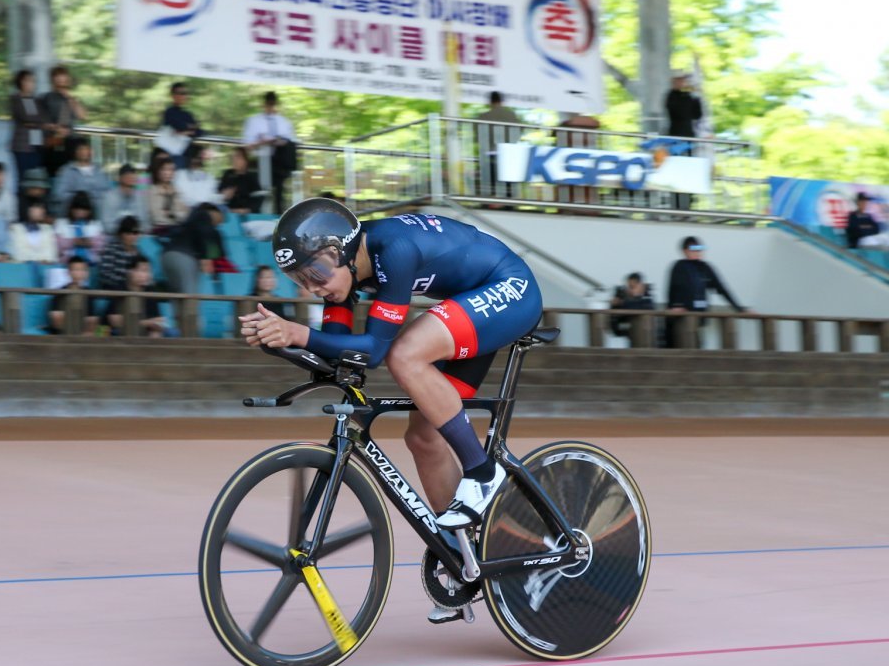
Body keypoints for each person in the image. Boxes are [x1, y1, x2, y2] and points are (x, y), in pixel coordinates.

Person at [240, 199, 542, 623]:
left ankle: (482, 472)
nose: (314, 287)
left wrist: (297, 332)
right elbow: (341, 355)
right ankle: (465, 559)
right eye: (302, 280)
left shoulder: (393, 249)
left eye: (316, 273)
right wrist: (282, 343)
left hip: (509, 289)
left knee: (405, 355)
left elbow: (377, 352)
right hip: (470, 300)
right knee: (424, 437)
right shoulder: (345, 279)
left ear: (339, 251)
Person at [665, 236, 747, 348]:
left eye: (699, 249)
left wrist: (739, 308)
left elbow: (721, 289)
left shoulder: (705, 268)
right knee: (683, 347)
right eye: (693, 249)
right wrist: (676, 305)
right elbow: (673, 289)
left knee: (696, 347)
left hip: (698, 319)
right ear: (685, 251)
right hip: (681, 320)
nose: (697, 252)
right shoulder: (679, 267)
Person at [242, 91, 296, 214]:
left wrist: (279, 142)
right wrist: (262, 142)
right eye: (268, 104)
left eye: (273, 104)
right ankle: (260, 214)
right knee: (261, 193)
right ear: (264, 104)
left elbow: (291, 141)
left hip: (279, 163)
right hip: (260, 161)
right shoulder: (254, 121)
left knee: (279, 194)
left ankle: (277, 215)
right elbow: (247, 144)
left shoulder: (283, 122)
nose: (271, 107)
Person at [162, 202, 225, 295]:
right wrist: (206, 257)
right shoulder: (203, 215)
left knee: (177, 296)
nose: (217, 225)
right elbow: (205, 233)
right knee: (190, 297)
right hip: (183, 256)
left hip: (167, 256)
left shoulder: (190, 221)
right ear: (213, 212)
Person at [40, 65, 86, 176]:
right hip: (53, 143)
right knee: (54, 175)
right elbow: (40, 121)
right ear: (53, 81)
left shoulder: (71, 99)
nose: (62, 84)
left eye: (65, 81)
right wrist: (55, 128)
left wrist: (70, 98)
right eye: (59, 81)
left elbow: (82, 115)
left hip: (70, 142)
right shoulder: (46, 98)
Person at [106, 255, 165, 337]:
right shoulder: (120, 289)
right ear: (130, 271)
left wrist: (154, 325)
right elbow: (115, 321)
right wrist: (146, 322)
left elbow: (158, 320)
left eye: (148, 271)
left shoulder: (150, 291)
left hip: (143, 331)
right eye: (143, 271)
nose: (147, 275)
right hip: (116, 331)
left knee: (159, 333)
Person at [475, 91, 521, 197]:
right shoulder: (511, 115)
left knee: (491, 186)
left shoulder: (484, 116)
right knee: (509, 186)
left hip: (490, 155)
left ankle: (489, 204)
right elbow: (518, 133)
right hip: (509, 155)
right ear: (501, 101)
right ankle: (510, 206)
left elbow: (478, 137)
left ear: (490, 102)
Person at [9, 69, 47, 191]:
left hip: (36, 144)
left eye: (33, 81)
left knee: (36, 177)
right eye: (28, 80)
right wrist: (38, 123)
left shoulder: (36, 100)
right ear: (21, 82)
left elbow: (41, 118)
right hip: (22, 145)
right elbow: (25, 117)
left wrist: (36, 123)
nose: (31, 84)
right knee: (23, 178)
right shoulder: (15, 99)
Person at [53, 137, 108, 212]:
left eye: (87, 149)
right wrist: (79, 197)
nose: (85, 152)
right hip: (75, 211)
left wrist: (90, 198)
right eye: (81, 149)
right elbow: (59, 194)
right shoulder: (66, 171)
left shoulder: (99, 170)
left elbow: (107, 192)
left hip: (98, 211)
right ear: (76, 152)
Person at [47, 256, 99, 334]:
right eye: (76, 270)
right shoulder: (60, 293)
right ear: (68, 272)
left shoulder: (89, 294)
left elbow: (92, 321)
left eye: (83, 270)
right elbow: (56, 322)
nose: (80, 273)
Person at [54, 191, 105, 264]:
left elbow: (101, 248)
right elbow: (56, 247)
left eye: (84, 209)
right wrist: (72, 242)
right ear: (71, 209)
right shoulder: (61, 223)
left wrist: (90, 243)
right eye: (77, 209)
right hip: (66, 264)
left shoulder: (96, 225)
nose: (80, 212)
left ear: (90, 211)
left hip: (91, 264)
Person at [160, 82, 202, 169]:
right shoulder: (169, 112)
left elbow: (199, 132)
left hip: (184, 155)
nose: (184, 96)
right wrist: (191, 128)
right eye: (181, 93)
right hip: (169, 153)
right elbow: (180, 126)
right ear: (173, 95)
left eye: (186, 93)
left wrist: (185, 130)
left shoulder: (187, 114)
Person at [98, 215, 144, 291]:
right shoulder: (111, 249)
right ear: (121, 234)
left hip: (134, 289)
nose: (132, 236)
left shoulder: (139, 252)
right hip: (115, 289)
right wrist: (127, 282)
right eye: (128, 233)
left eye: (135, 232)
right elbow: (105, 274)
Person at [608, 272, 655, 347]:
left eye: (633, 287)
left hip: (645, 339)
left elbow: (643, 308)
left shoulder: (647, 298)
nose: (630, 290)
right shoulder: (623, 298)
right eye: (629, 287)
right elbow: (615, 324)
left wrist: (632, 298)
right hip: (627, 337)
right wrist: (615, 305)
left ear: (641, 286)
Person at [101, 164, 150, 234]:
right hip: (116, 237)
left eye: (133, 175)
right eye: (128, 175)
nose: (131, 177)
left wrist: (136, 231)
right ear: (120, 178)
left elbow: (145, 222)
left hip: (137, 237)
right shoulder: (110, 197)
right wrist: (124, 230)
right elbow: (106, 225)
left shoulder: (139, 196)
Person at [218, 147, 261, 214]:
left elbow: (258, 197)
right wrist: (224, 195)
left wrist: (248, 210)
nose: (234, 160)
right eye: (233, 158)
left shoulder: (251, 177)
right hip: (229, 211)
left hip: (246, 212)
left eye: (237, 157)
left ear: (245, 161)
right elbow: (219, 192)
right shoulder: (228, 174)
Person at [665, 71, 703, 139]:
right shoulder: (672, 96)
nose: (682, 82)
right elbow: (678, 112)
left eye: (683, 80)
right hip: (676, 134)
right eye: (679, 80)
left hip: (689, 133)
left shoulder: (688, 95)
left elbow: (697, 115)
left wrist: (696, 98)